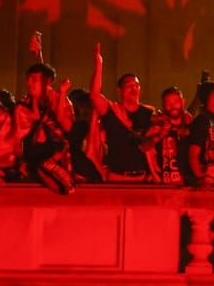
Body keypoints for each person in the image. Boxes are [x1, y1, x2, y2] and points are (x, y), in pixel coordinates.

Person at [90, 45, 157, 182]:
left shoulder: (148, 113)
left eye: (137, 85)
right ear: (120, 91)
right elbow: (95, 95)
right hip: (117, 177)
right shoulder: (112, 110)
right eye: (129, 86)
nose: (134, 89)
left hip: (143, 178)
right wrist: (99, 65)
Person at [14, 61, 76, 194]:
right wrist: (20, 161)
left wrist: (62, 96)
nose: (29, 83)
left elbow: (68, 128)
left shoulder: (62, 100)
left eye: (34, 79)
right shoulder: (23, 105)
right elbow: (19, 137)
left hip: (59, 154)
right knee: (37, 166)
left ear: (47, 82)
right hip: (35, 154)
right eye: (29, 79)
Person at [146, 87, 192, 186]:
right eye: (168, 103)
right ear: (163, 105)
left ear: (183, 102)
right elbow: (146, 149)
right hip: (163, 184)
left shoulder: (190, 126)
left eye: (176, 101)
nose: (172, 106)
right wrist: (155, 175)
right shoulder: (157, 125)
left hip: (187, 185)